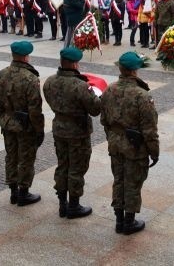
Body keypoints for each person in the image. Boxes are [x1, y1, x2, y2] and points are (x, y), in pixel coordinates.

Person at [101, 51, 158, 235]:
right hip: (135, 147)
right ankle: (129, 222)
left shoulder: (109, 90)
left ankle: (119, 220)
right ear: (135, 71)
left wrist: (113, 136)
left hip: (115, 144)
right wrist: (154, 151)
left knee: (119, 180)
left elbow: (104, 119)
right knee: (132, 183)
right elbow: (149, 129)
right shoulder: (142, 95)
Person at [42, 47, 102, 218]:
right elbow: (95, 110)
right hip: (78, 132)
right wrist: (98, 97)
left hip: (59, 129)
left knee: (63, 165)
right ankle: (74, 206)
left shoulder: (49, 82)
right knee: (77, 167)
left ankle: (62, 203)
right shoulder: (81, 86)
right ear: (75, 64)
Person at [0, 40, 44, 206]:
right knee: (26, 158)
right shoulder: (30, 78)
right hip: (25, 126)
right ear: (25, 57)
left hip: (8, 123)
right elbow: (35, 109)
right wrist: (39, 130)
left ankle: (13, 192)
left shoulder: (1, 74)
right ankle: (23, 192)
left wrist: (3, 118)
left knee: (11, 156)